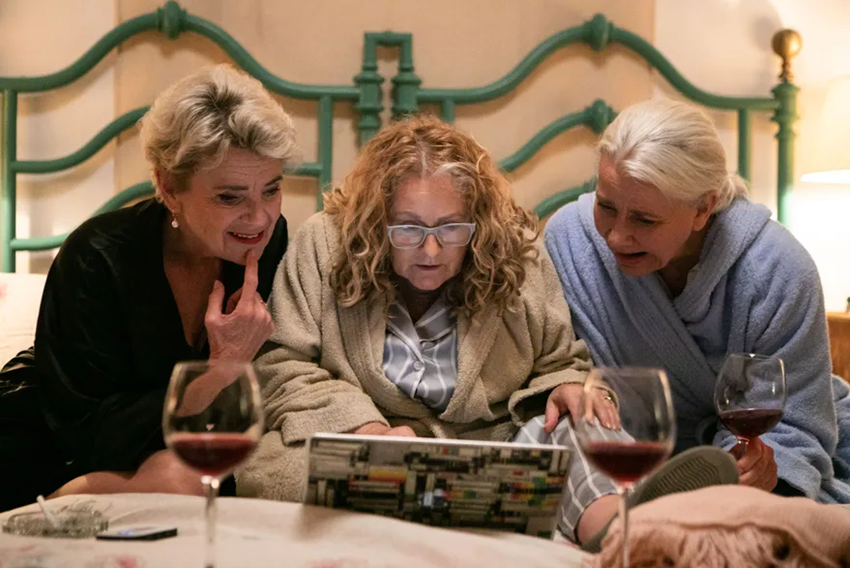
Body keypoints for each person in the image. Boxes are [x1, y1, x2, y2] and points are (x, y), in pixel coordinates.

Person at [237, 114, 734, 545]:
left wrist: (565, 386)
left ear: (478, 220)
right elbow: (282, 365)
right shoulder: (325, 245)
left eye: (451, 228)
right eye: (408, 228)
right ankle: (454, 508)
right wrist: (368, 429)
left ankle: (621, 528)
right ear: (375, 219)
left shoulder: (515, 251)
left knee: (572, 425)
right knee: (296, 466)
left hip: (487, 448)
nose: (431, 250)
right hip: (363, 444)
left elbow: (558, 360)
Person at [0, 64, 299, 509]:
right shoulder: (97, 256)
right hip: (55, 445)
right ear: (168, 187)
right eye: (230, 196)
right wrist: (220, 369)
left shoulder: (269, 243)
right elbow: (87, 429)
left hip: (176, 451)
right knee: (181, 481)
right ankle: (38, 512)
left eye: (271, 190)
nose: (259, 217)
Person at [544, 98, 850, 504]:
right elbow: (549, 358)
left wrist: (762, 465)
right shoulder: (569, 243)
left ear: (703, 208)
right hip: (624, 461)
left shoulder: (777, 270)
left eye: (644, 220)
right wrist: (564, 380)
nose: (615, 236)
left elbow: (794, 422)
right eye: (606, 206)